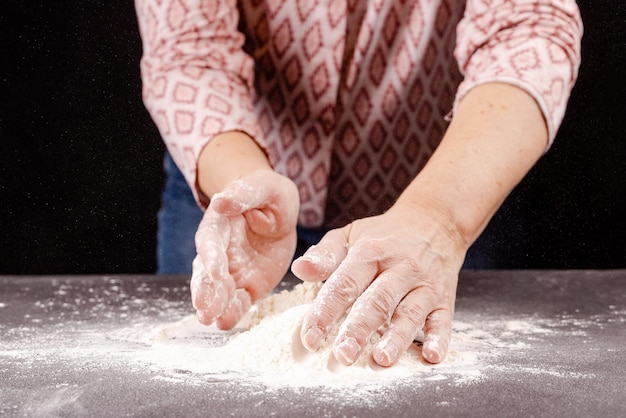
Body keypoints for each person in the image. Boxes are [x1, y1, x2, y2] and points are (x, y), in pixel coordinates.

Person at [135, 0, 583, 367]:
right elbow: (190, 50)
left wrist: (440, 219)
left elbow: (528, 27)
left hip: (452, 187)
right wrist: (240, 180)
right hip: (236, 184)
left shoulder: (443, 215)